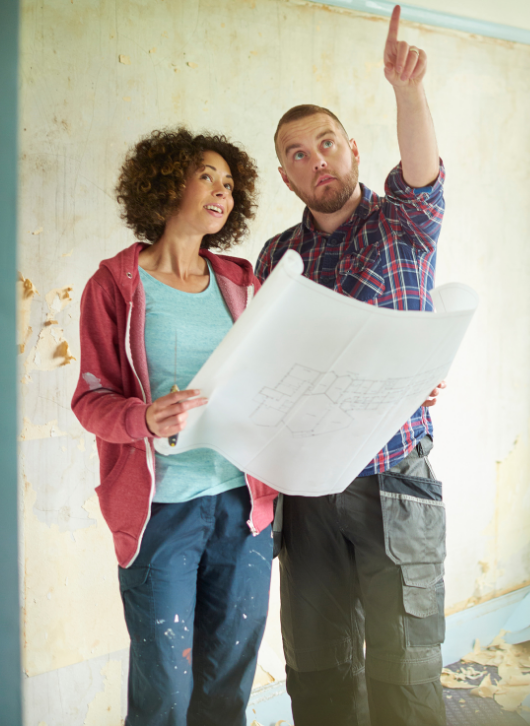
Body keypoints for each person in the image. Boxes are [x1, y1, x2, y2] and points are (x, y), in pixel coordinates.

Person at [253, 6, 447, 725]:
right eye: (299, 154)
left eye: (327, 143)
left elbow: (423, 172)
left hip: (393, 480)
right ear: (286, 174)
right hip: (308, 490)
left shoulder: (403, 224)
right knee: (319, 669)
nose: (318, 160)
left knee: (407, 667)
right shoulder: (277, 259)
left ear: (354, 149)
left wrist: (407, 90)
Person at [71, 128, 278, 726]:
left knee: (228, 680)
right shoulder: (116, 285)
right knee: (165, 687)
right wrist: (143, 417)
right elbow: (90, 400)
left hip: (243, 509)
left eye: (230, 183)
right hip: (163, 513)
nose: (222, 191)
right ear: (167, 184)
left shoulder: (243, 283)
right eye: (207, 175)